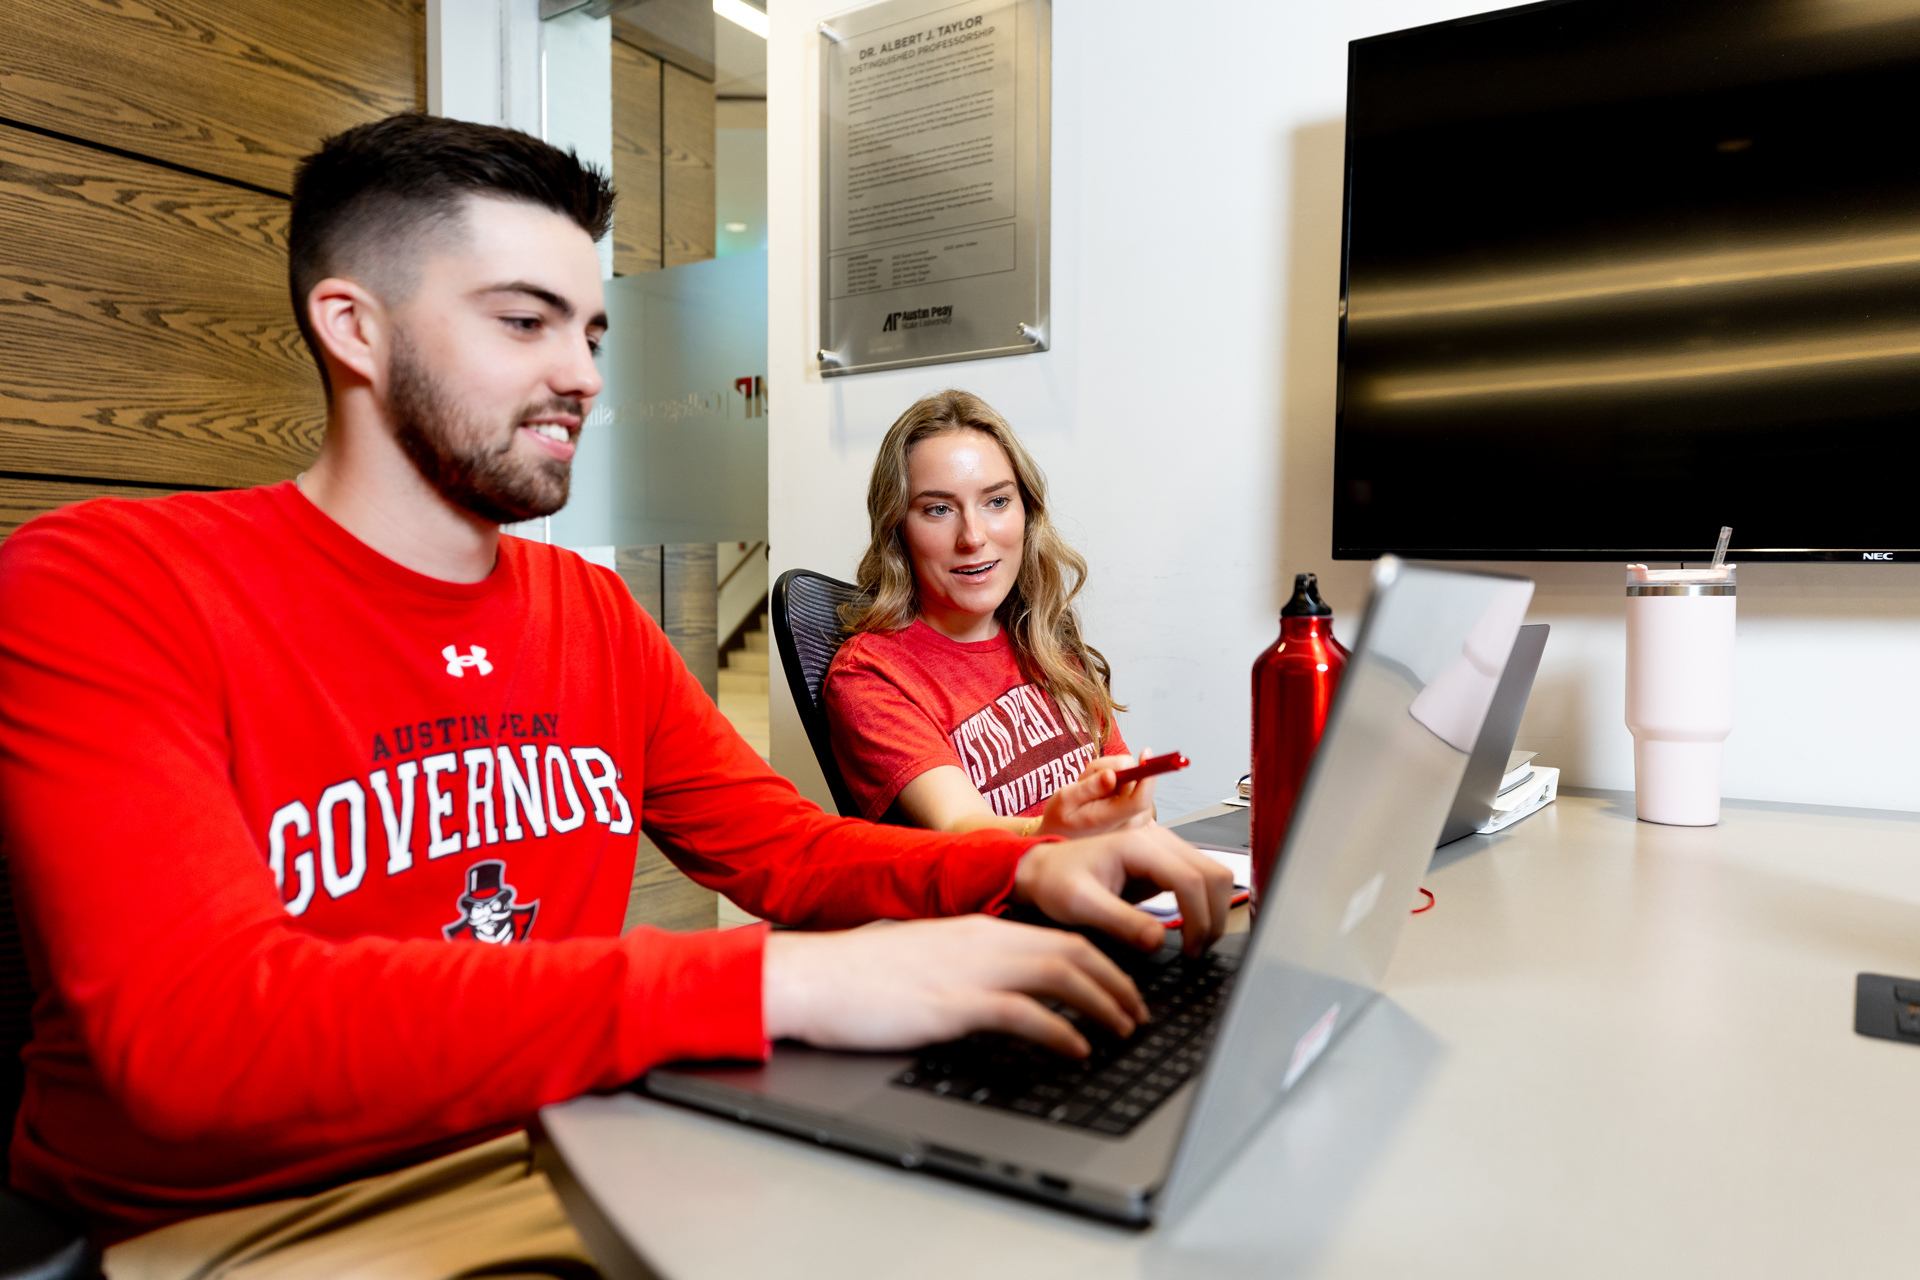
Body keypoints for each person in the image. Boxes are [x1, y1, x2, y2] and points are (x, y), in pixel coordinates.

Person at [0, 115, 1232, 1272]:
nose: (582, 374)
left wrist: (1023, 864)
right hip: (269, 1209)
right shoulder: (105, 584)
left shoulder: (587, 609)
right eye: (524, 322)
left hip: (584, 1127)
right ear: (354, 328)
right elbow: (198, 1034)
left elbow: (791, 854)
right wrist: (782, 982)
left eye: (592, 333)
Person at [825, 391, 1155, 839]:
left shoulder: (1044, 637)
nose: (973, 537)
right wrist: (1061, 830)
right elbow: (965, 829)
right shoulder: (869, 675)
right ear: (897, 529)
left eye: (996, 501)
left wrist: (1132, 807)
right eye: (938, 509)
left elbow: (1131, 804)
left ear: (1026, 512)